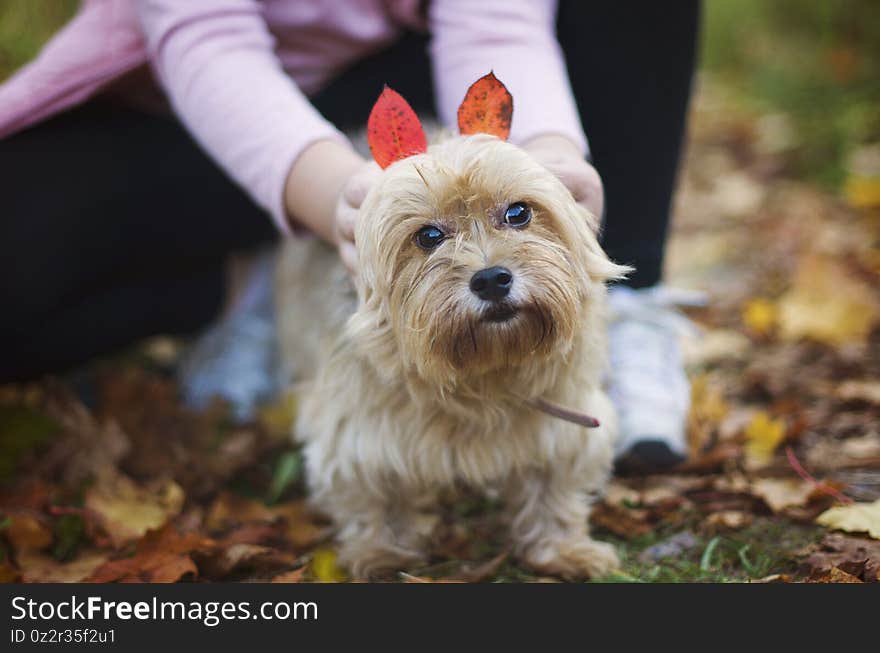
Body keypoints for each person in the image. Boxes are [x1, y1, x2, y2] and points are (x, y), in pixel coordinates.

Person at [0, 0, 700, 469]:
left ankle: (623, 299)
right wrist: (342, 198)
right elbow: (203, 36)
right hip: (171, 117)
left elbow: (495, 27)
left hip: (403, 74)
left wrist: (547, 156)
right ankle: (243, 291)